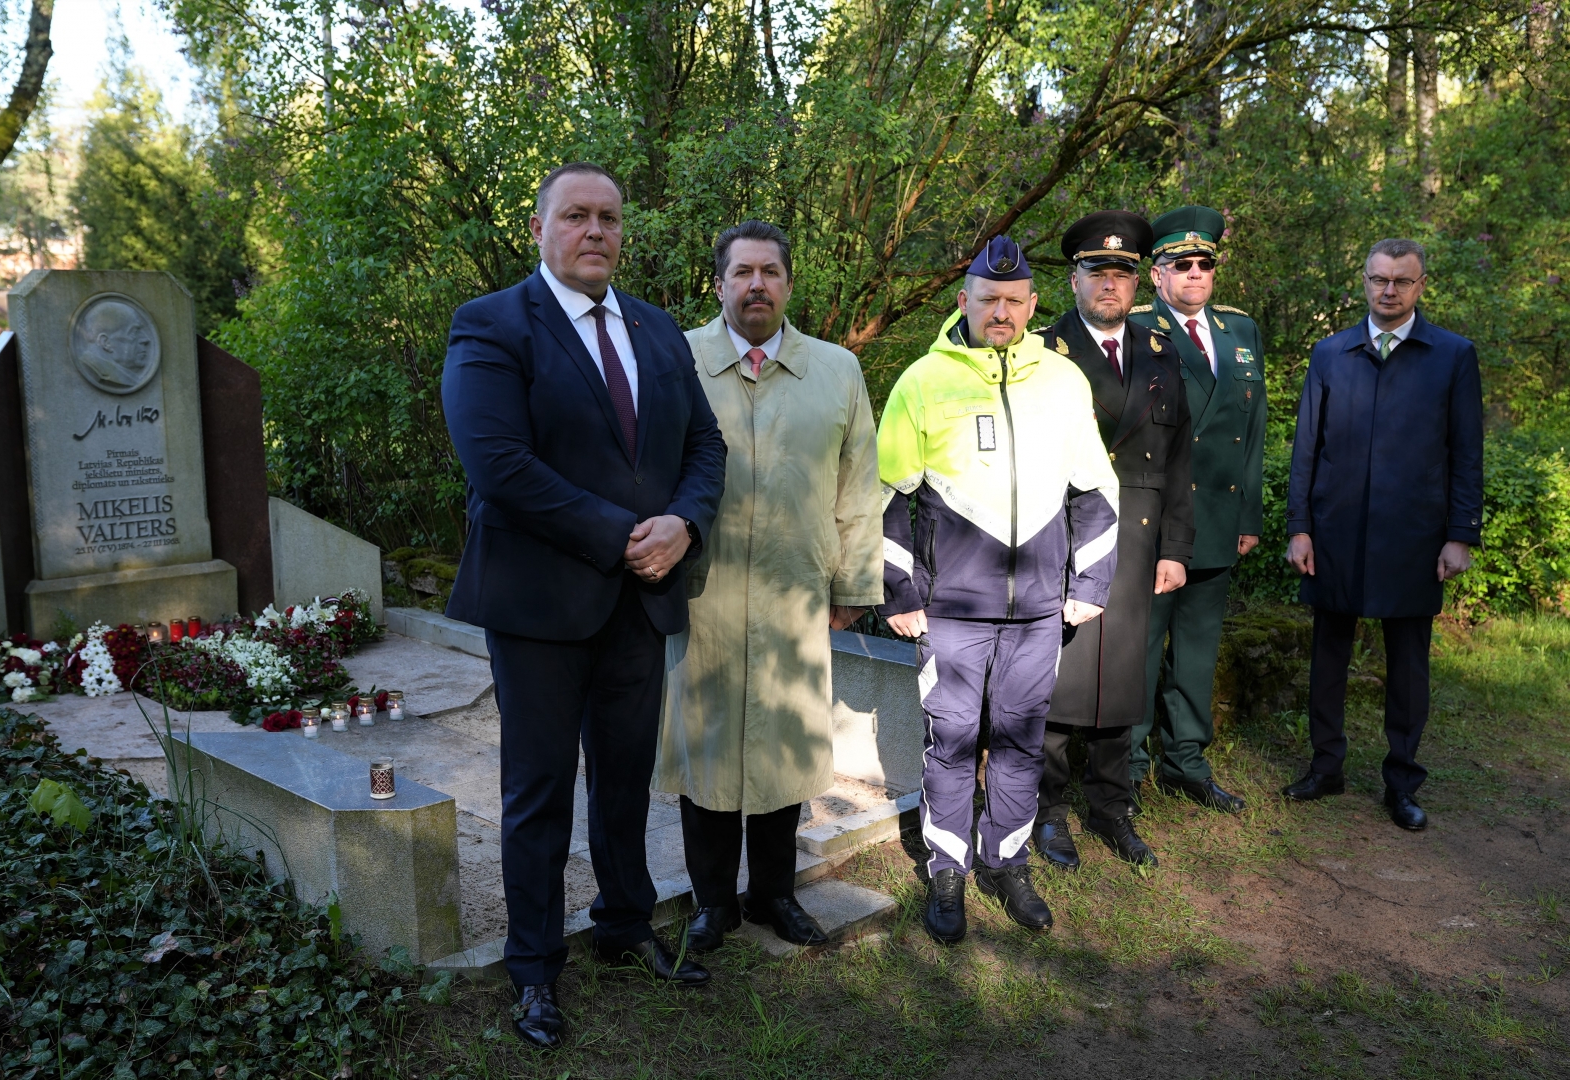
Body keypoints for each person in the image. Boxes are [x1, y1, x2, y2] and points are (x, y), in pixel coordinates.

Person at [441, 162, 727, 1050]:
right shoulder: (492, 324)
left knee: (625, 779)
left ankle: (624, 924)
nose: (594, 230)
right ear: (540, 229)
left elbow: (705, 445)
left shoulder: (654, 327)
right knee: (538, 792)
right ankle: (533, 967)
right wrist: (623, 535)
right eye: (575, 216)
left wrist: (683, 523)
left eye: (607, 217)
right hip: (539, 604)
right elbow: (498, 465)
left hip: (641, 601)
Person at [877, 235, 1119, 944]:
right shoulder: (923, 381)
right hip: (951, 610)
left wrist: (1090, 581)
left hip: (1039, 611)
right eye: (989, 299)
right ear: (965, 301)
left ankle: (1008, 863)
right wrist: (899, 592)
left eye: (1014, 301)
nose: (1002, 312)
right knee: (950, 742)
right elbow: (884, 496)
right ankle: (946, 871)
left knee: (1020, 743)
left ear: (1033, 304)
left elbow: (1096, 490)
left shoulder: (1063, 381)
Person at [657, 220, 883, 952]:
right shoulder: (676, 359)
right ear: (718, 283)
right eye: (742, 272)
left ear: (788, 283)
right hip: (703, 592)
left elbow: (858, 487)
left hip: (796, 594)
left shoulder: (836, 371)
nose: (757, 285)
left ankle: (775, 895)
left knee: (785, 749)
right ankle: (712, 902)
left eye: (770, 273)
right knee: (707, 750)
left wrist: (853, 583)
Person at [1282, 238, 1482, 832]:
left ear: (1421, 285)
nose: (1388, 290)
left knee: (1408, 665)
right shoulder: (1330, 353)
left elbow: (1466, 453)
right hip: (1335, 530)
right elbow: (1306, 449)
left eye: (1401, 281)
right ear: (1364, 281)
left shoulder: (1453, 355)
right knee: (1329, 655)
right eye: (1379, 279)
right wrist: (1300, 527)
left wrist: (1460, 534)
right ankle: (1326, 767)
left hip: (1414, 534)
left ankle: (1403, 782)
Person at [1033, 210, 1194, 871]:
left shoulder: (1160, 352)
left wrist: (1175, 548)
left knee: (1122, 680)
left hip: (1137, 539)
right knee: (1056, 679)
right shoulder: (1041, 352)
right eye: (1097, 272)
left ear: (1137, 283)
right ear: (1073, 279)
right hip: (1061, 537)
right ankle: (1045, 809)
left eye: (1122, 273)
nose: (1109, 284)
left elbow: (1180, 457)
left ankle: (1111, 807)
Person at [1126, 205, 1266, 814]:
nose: (1194, 273)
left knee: (1198, 649)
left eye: (1204, 263)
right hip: (1154, 523)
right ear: (1157, 273)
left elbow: (1253, 430)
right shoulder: (1134, 328)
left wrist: (1249, 515)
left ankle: (1186, 761)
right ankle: (1126, 766)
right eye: (1181, 264)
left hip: (1217, 519)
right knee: (1138, 648)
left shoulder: (1241, 332)